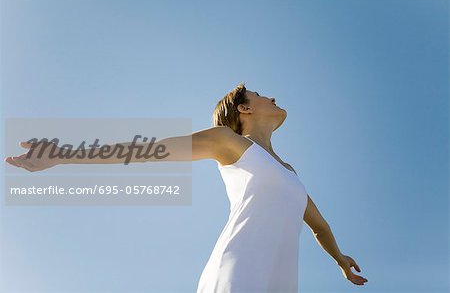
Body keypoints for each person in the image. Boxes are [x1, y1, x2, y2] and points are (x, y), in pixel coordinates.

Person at [5, 83, 368, 292]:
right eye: (259, 94)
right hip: (239, 269)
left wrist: (339, 259)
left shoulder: (289, 172)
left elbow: (318, 225)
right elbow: (146, 150)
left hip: (280, 280)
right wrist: (64, 155)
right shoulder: (229, 142)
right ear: (244, 108)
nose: (270, 96)